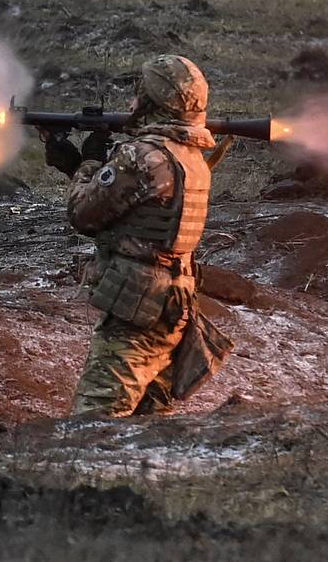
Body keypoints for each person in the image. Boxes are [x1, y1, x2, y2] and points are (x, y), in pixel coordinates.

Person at [43, 55, 233, 417]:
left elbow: (83, 216)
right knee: (147, 424)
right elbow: (136, 209)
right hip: (172, 305)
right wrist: (80, 168)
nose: (130, 104)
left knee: (96, 420)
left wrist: (88, 163)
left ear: (151, 101)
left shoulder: (143, 157)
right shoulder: (189, 157)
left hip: (137, 308)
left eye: (137, 95)